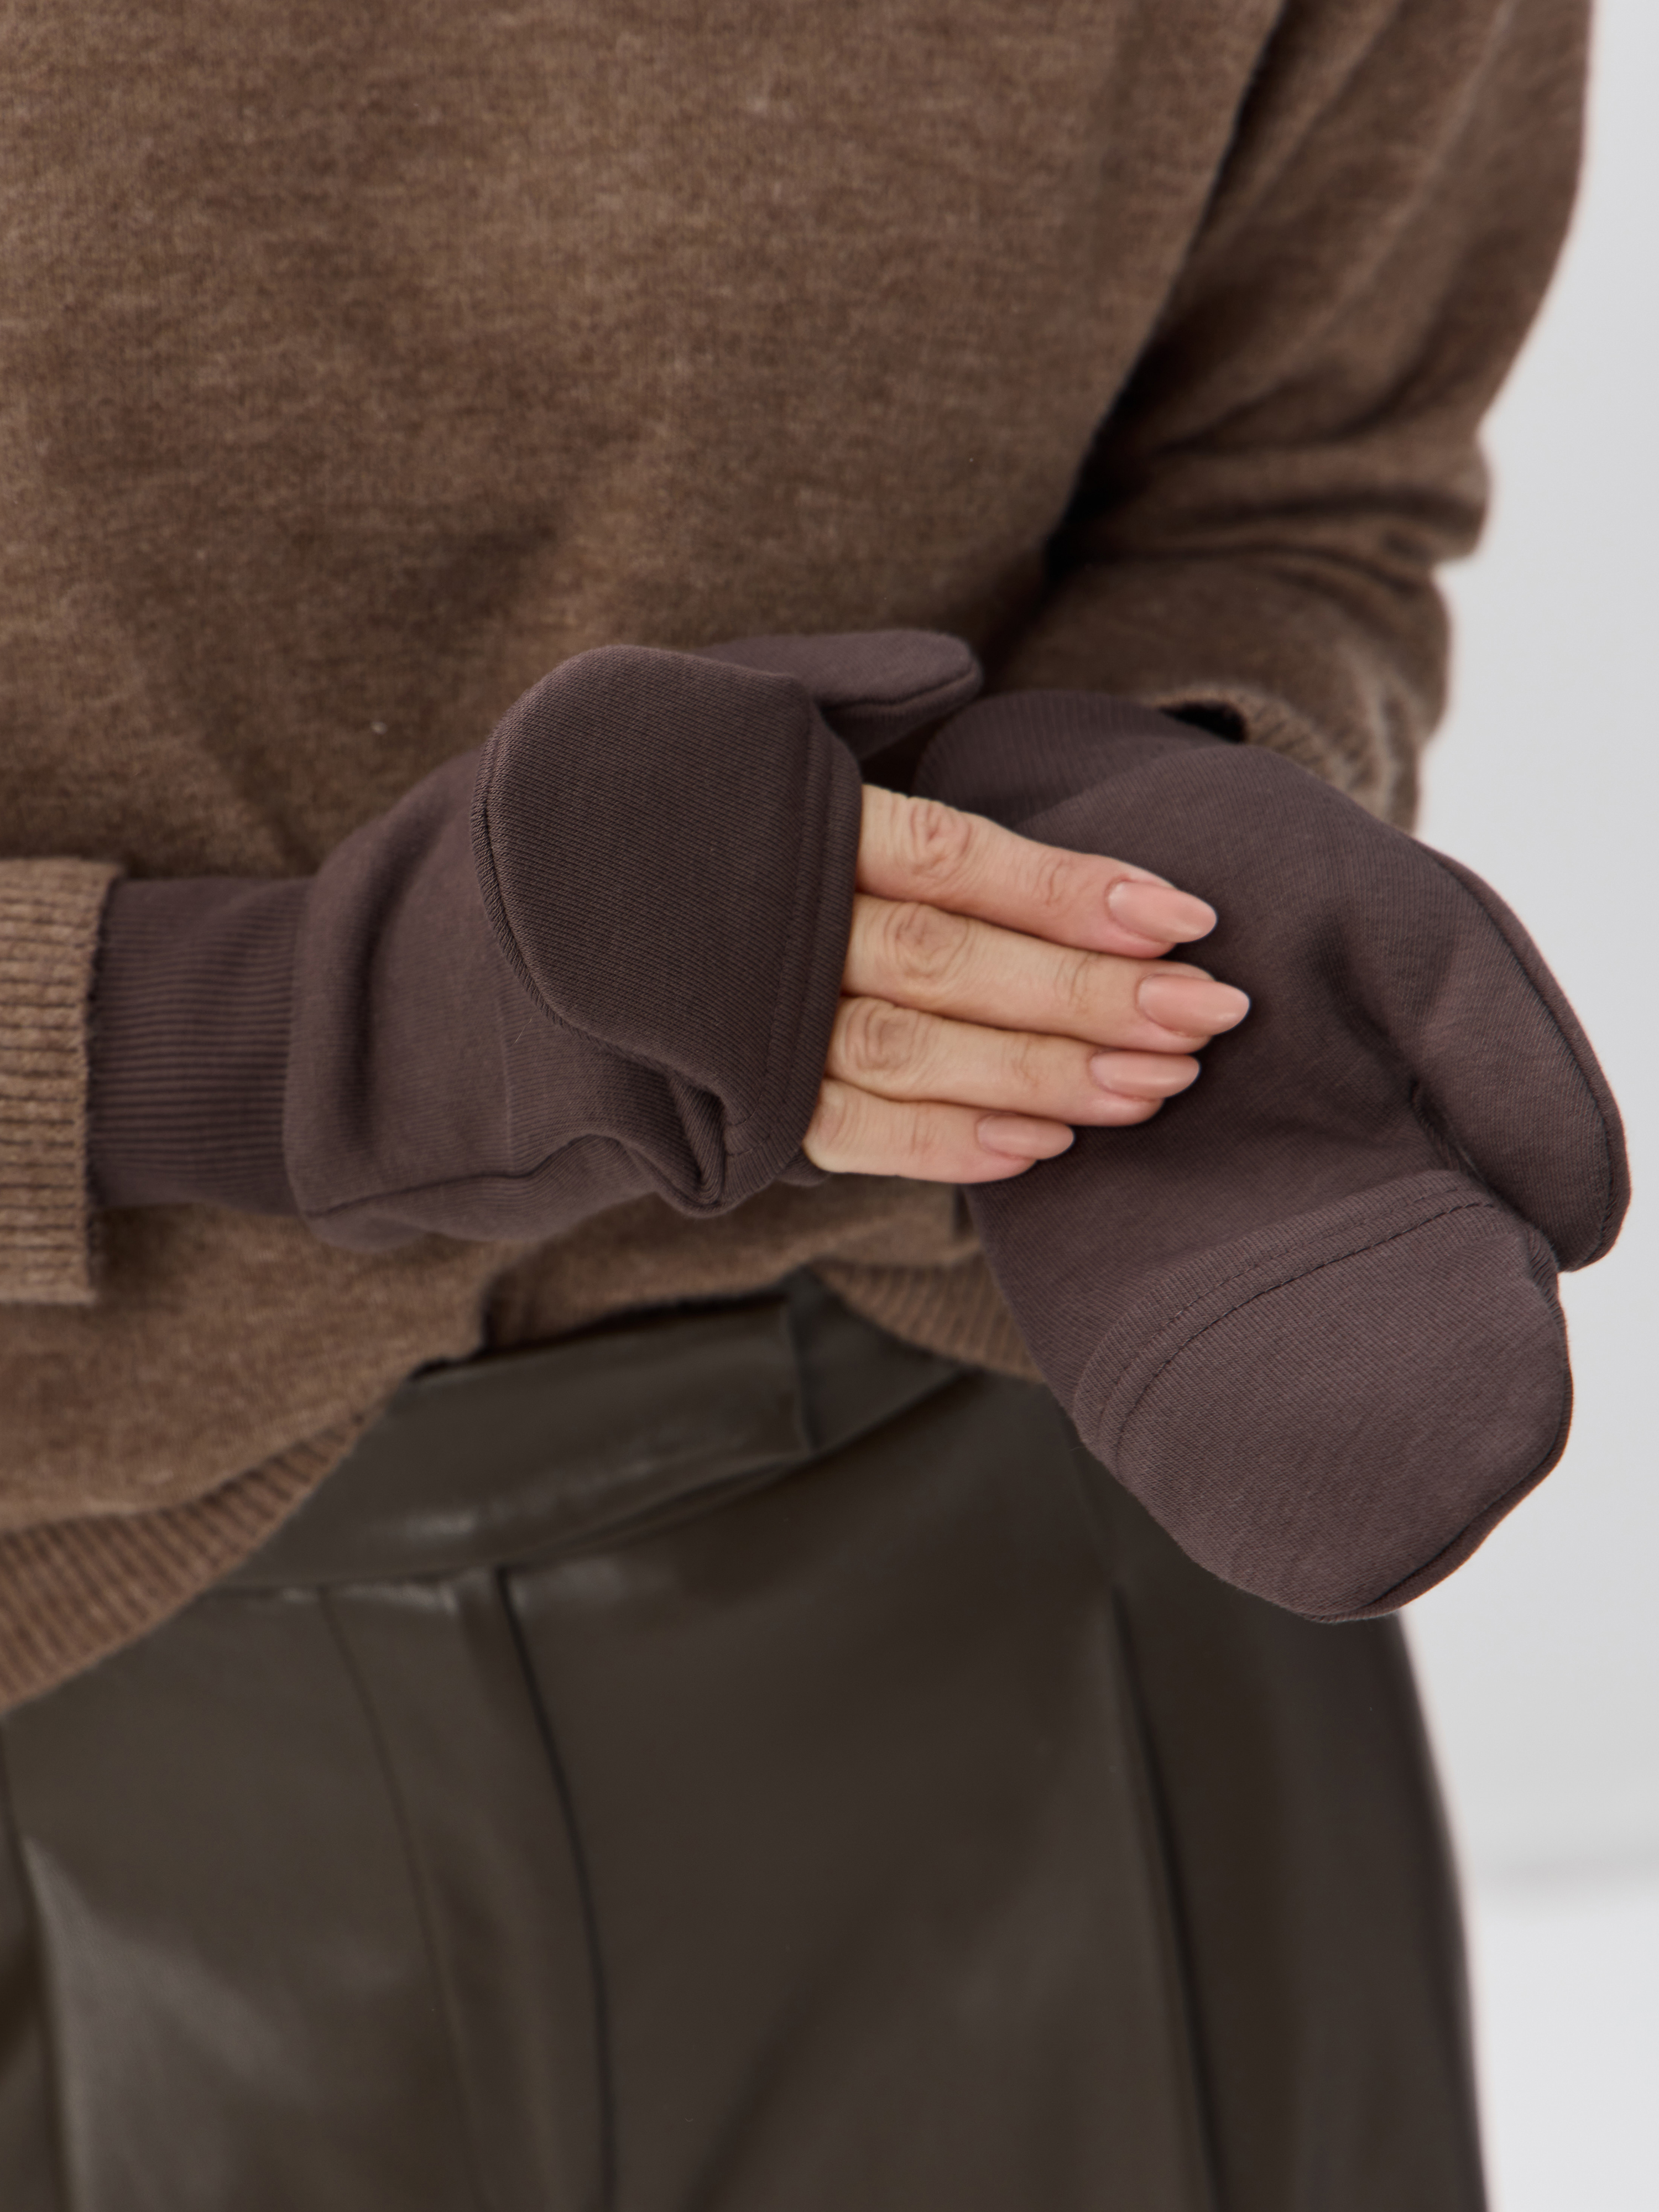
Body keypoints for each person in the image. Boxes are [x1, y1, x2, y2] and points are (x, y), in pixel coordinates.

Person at [0, 1, 1594, 2204]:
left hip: (1034, 1537)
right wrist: (277, 1037)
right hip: (77, 1685)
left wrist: (1144, 834)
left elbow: (1302, 469)